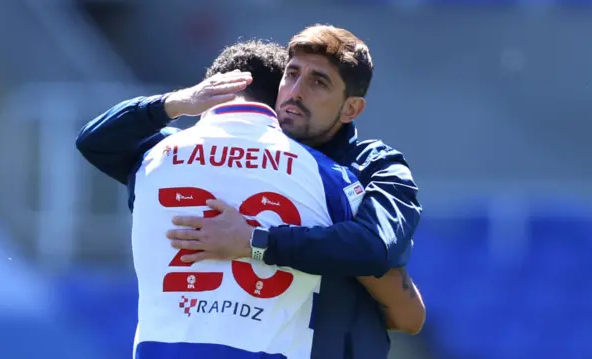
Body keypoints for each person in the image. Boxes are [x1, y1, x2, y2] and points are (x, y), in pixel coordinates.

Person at [77, 26, 424, 359]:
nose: (296, 91)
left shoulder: (370, 168)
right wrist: (175, 102)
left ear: (351, 109)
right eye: (292, 74)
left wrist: (256, 242)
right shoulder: (208, 156)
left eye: (318, 82)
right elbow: (96, 142)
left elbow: (376, 249)